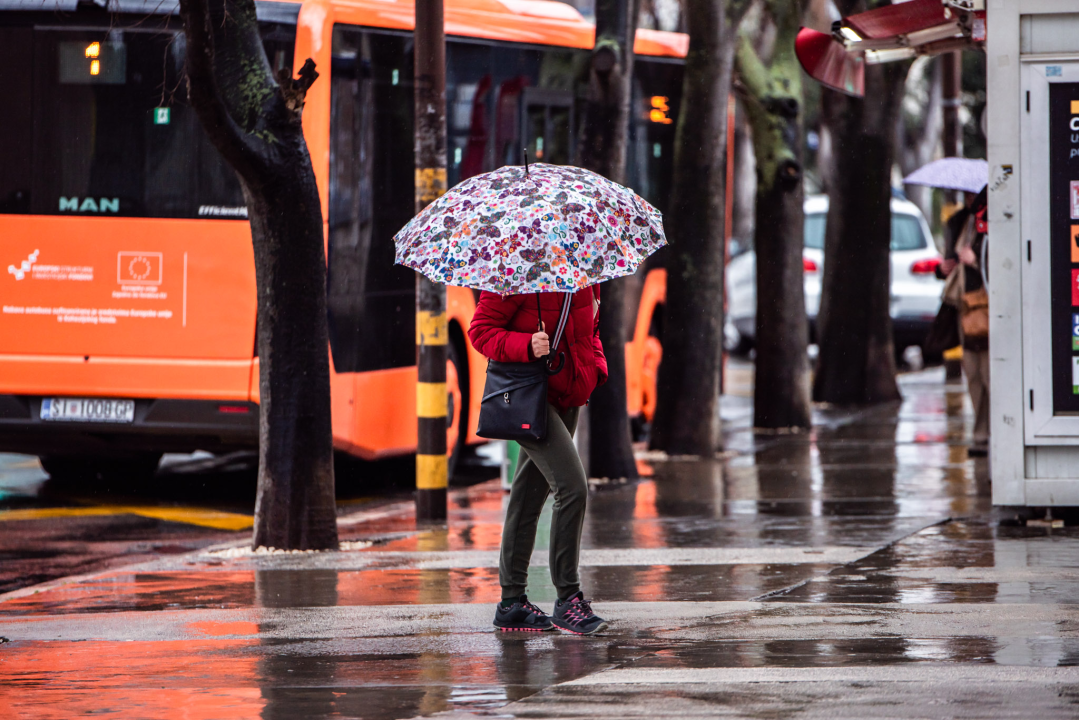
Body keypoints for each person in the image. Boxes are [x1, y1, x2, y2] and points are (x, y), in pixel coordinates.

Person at [468, 285, 609, 634]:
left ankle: (512, 603)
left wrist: (595, 368)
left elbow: (590, 328)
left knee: (529, 496)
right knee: (572, 488)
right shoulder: (516, 272)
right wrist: (527, 345)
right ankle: (568, 599)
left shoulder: (583, 271)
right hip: (530, 394)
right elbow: (480, 331)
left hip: (570, 393)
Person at [939, 189, 989, 456]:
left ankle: (994, 432)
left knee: (989, 370)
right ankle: (981, 434)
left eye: (974, 195)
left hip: (986, 303)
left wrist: (977, 258)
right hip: (964, 305)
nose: (970, 199)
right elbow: (949, 259)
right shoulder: (958, 221)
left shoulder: (992, 221)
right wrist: (943, 267)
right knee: (972, 372)